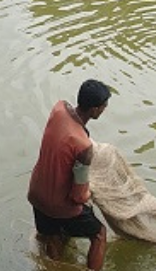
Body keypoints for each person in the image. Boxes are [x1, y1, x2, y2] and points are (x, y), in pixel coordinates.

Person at [28, 80, 112, 271]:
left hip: (36, 194)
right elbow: (78, 196)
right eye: (104, 106)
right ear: (95, 110)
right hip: (59, 205)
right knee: (99, 234)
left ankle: (52, 266)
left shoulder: (58, 109)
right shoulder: (84, 148)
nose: (104, 109)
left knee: (53, 235)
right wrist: (90, 193)